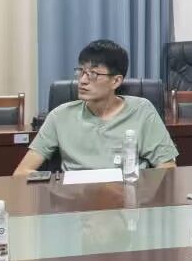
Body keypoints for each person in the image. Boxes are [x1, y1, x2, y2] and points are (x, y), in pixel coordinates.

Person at [15, 40, 177, 176]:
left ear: (116, 81)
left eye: (93, 74)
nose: (82, 80)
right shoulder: (59, 116)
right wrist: (56, 186)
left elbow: (167, 168)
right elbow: (22, 172)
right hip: (75, 199)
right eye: (81, 72)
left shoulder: (142, 110)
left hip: (128, 196)